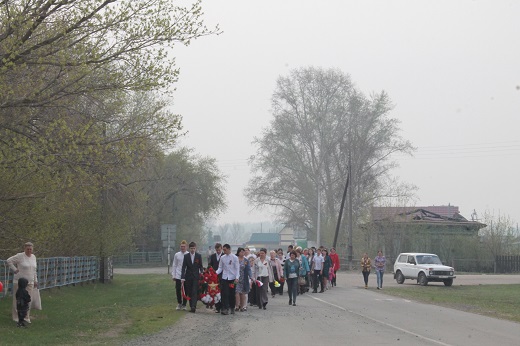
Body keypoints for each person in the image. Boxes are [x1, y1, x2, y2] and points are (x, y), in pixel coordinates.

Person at [7, 242, 39, 323]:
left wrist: (35, 280)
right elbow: (9, 261)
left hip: (30, 281)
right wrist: (15, 269)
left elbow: (34, 270)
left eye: (30, 249)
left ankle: (26, 316)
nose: (29, 250)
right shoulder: (20, 256)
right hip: (19, 281)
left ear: (32, 249)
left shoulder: (33, 257)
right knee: (17, 299)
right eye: (27, 249)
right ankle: (16, 316)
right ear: (24, 249)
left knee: (28, 299)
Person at [216, 244, 240, 315]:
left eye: (225, 249)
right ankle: (225, 308)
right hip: (225, 278)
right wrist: (215, 273)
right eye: (223, 250)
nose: (224, 251)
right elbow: (220, 267)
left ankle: (232, 307)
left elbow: (237, 268)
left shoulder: (235, 257)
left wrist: (237, 277)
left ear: (229, 249)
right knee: (225, 293)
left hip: (232, 279)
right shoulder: (222, 257)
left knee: (232, 293)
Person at [181, 242, 203, 313]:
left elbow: (200, 266)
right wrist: (182, 277)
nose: (193, 250)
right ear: (189, 248)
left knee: (194, 291)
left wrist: (201, 272)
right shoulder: (186, 256)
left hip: (196, 276)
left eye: (194, 248)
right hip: (188, 276)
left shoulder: (198, 256)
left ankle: (194, 306)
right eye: (191, 248)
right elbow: (184, 267)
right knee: (190, 291)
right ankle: (191, 306)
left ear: (195, 248)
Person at [171, 240, 188, 310]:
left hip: (186, 275)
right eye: (181, 246)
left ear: (186, 247)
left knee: (185, 290)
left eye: (184, 246)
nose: (182, 248)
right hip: (178, 274)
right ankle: (179, 303)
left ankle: (184, 304)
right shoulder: (177, 255)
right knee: (178, 289)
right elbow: (174, 265)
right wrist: (173, 275)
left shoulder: (188, 254)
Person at [235, 247, 252, 312]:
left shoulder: (246, 260)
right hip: (236, 278)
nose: (242, 253)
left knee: (242, 293)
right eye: (241, 252)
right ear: (238, 252)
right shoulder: (235, 259)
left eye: (243, 252)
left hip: (243, 278)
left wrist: (251, 276)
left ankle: (242, 306)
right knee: (237, 292)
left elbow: (248, 269)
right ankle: (237, 306)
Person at [208, 243, 223, 313]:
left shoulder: (224, 256)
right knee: (215, 291)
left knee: (221, 291)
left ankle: (223, 306)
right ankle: (217, 307)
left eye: (219, 250)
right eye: (217, 250)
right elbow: (210, 265)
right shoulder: (213, 256)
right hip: (214, 277)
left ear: (221, 249)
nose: (218, 251)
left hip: (222, 276)